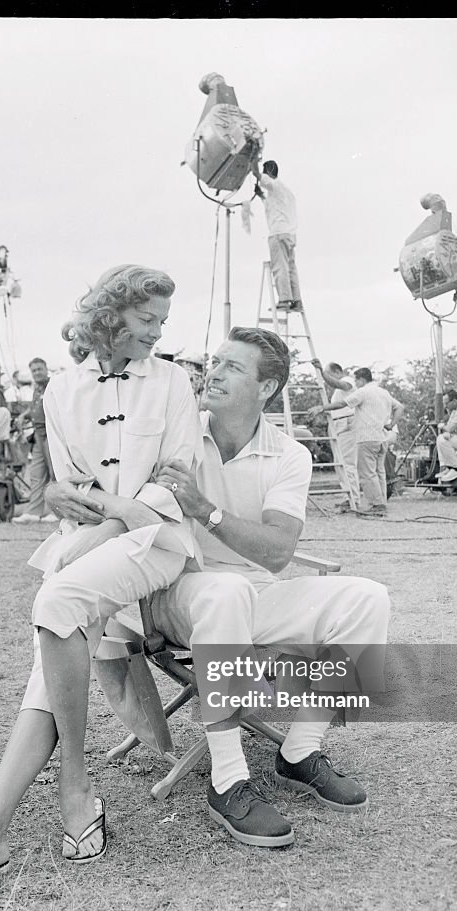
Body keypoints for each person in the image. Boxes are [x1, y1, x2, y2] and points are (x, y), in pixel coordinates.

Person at [0, 265, 201, 905]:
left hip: (156, 542)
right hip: (94, 539)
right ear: (110, 318)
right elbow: (70, 485)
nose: (157, 332)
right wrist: (79, 505)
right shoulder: (62, 389)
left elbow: (176, 477)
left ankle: (66, 788)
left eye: (161, 321)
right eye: (146, 320)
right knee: (52, 654)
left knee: (57, 597)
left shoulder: (174, 381)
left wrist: (108, 522)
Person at [149, 327, 390, 847]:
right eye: (215, 361)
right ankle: (228, 780)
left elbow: (279, 551)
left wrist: (206, 511)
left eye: (232, 367)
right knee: (226, 591)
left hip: (252, 592)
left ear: (266, 387)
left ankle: (299, 752)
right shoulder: (177, 433)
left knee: (369, 598)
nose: (213, 372)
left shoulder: (288, 453)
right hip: (177, 591)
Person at [317, 368, 403, 517]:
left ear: (362, 379)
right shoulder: (384, 392)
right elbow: (400, 407)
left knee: (367, 473)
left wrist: (323, 408)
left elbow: (342, 404)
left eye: (356, 380)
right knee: (379, 472)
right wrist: (391, 424)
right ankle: (381, 502)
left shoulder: (363, 392)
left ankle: (377, 505)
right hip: (382, 437)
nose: (355, 383)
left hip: (367, 437)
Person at [309, 358, 360, 512]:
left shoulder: (347, 380)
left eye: (330, 374)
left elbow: (338, 383)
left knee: (347, 463)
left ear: (337, 372)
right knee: (340, 463)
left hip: (346, 422)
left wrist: (322, 373)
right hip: (339, 424)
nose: (328, 377)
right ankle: (348, 497)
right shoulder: (339, 392)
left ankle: (354, 499)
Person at [255, 160, 302, 311]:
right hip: (289, 234)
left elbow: (256, 173)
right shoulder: (284, 191)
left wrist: (252, 159)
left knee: (280, 267)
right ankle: (296, 300)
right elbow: (274, 207)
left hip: (278, 233)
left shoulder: (274, 185)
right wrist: (261, 196)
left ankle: (284, 300)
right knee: (290, 268)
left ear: (268, 172)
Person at [12, 358, 54, 524]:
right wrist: (24, 415)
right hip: (37, 433)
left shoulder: (54, 385)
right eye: (34, 370)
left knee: (54, 473)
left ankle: (56, 512)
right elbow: (34, 407)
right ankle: (33, 512)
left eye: (39, 369)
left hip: (51, 434)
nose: (37, 373)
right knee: (36, 473)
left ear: (46, 368)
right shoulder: (37, 388)